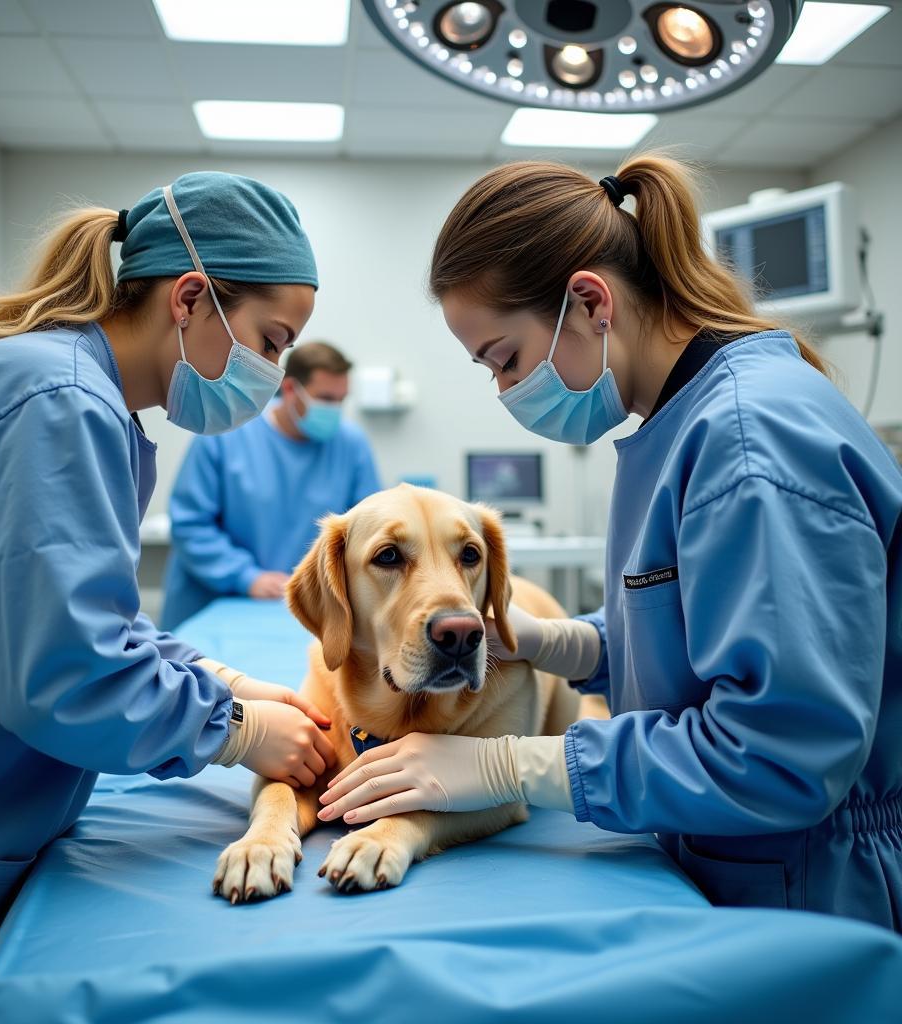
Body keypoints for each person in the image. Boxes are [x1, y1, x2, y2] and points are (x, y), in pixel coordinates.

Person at [318, 156, 902, 932]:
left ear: (590, 302)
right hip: (731, 855)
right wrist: (562, 642)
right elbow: (698, 634)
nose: (505, 392)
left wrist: (508, 762)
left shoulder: (749, 443)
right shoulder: (679, 426)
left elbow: (782, 753)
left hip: (807, 889)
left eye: (507, 360)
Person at [0, 171, 338, 1005]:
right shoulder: (53, 402)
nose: (272, 371)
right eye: (270, 342)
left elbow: (84, 616)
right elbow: (64, 671)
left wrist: (219, 680)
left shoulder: (69, 394)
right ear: (191, 297)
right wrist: (232, 729)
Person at [160, 341, 380, 630]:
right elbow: (191, 525)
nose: (335, 410)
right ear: (290, 390)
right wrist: (246, 577)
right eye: (326, 399)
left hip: (306, 608)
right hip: (220, 605)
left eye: (342, 399)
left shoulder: (351, 444)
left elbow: (370, 530)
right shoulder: (226, 432)